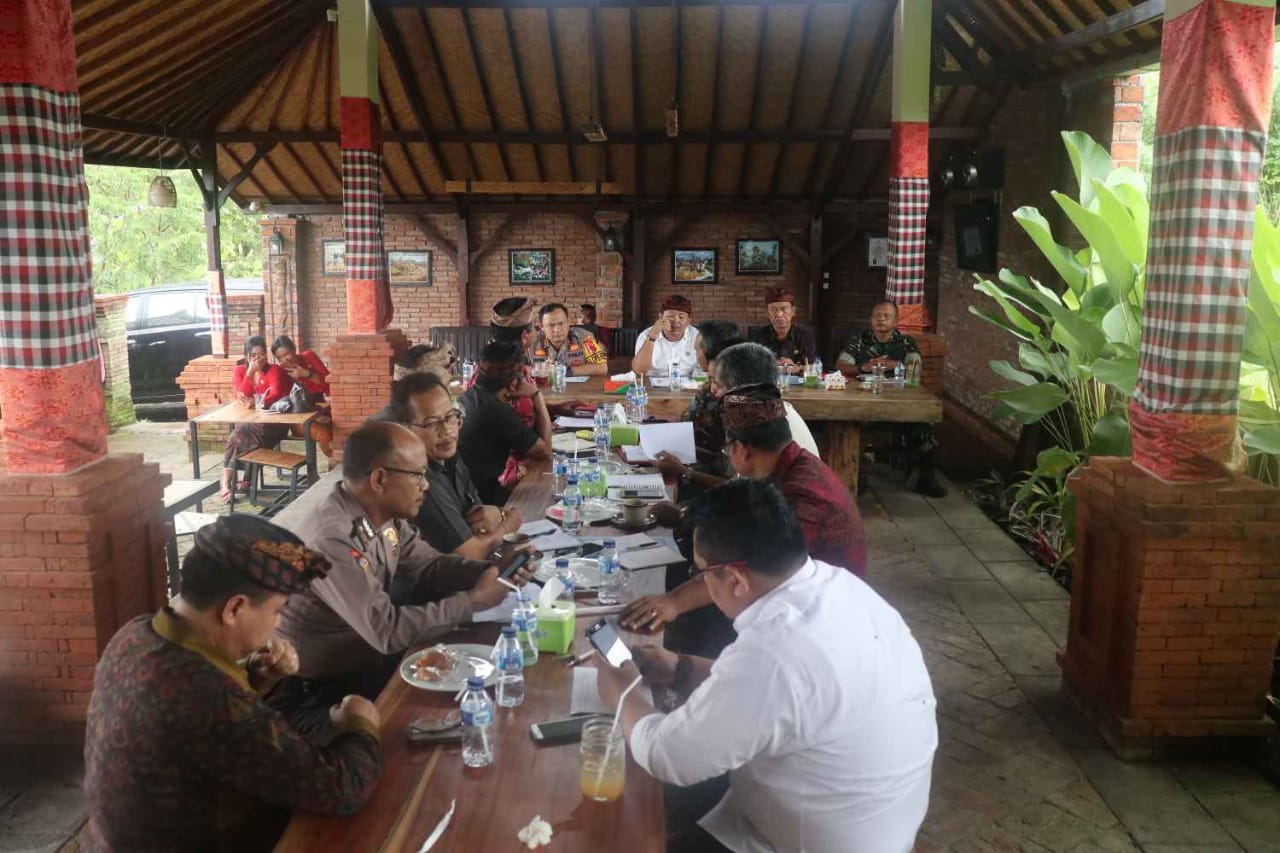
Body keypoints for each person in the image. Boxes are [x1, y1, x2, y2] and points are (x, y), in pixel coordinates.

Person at [595, 480, 937, 853]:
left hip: (809, 841)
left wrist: (620, 689)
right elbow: (790, 695)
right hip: (870, 816)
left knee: (621, 820)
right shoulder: (836, 586)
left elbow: (667, 756)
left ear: (736, 579)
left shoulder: (774, 651)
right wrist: (681, 667)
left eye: (702, 571)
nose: (702, 582)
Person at [84, 515, 382, 852]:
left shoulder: (134, 633)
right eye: (278, 610)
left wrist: (257, 678)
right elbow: (341, 788)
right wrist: (359, 724)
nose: (278, 623)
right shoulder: (209, 699)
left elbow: (203, 724)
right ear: (234, 608)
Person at [273, 422, 532, 731]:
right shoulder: (332, 539)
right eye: (418, 475)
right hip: (323, 695)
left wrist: (493, 569)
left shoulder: (380, 514)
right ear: (380, 479)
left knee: (481, 698)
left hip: (366, 666)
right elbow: (386, 631)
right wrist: (473, 601)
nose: (426, 485)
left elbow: (429, 565)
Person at [625, 384, 868, 645]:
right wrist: (687, 512)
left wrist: (673, 602)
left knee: (689, 597)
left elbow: (752, 566)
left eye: (726, 449)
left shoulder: (802, 494)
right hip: (799, 588)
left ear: (741, 449)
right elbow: (739, 498)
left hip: (819, 616)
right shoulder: (792, 464)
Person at [374, 372, 524, 558]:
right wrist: (510, 523)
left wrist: (498, 514)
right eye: (431, 423)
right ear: (406, 429)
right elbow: (471, 553)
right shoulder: (419, 481)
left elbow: (481, 518)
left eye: (450, 417)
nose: (446, 431)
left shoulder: (449, 457)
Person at [837, 301, 946, 497]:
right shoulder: (859, 340)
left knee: (923, 423)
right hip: (863, 397)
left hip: (898, 399)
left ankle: (924, 477)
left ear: (896, 321)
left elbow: (915, 369)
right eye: (877, 315)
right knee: (847, 421)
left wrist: (893, 365)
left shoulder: (906, 342)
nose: (881, 319)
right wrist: (863, 367)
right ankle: (854, 476)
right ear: (871, 319)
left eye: (886, 315)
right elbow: (841, 366)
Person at [457, 340, 553, 506]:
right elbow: (544, 450)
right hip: (482, 501)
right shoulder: (498, 411)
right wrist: (537, 396)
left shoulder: (469, 396)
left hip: (463, 493)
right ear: (514, 384)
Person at [220, 335, 294, 501]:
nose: (258, 359)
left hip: (275, 423)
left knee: (239, 435)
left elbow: (275, 393)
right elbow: (240, 394)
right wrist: (250, 373)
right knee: (239, 435)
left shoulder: (274, 370)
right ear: (246, 355)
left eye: (261, 354)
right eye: (253, 355)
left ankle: (239, 481)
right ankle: (230, 483)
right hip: (250, 422)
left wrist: (256, 401)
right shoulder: (240, 371)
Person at [685, 320, 744, 473]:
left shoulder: (737, 398)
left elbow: (732, 472)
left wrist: (685, 472)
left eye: (697, 350)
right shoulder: (710, 386)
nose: (696, 356)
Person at [273, 334, 334, 457]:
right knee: (324, 433)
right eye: (280, 358)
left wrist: (307, 374)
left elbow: (330, 385)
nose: (284, 360)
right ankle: (335, 460)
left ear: (294, 349)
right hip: (299, 418)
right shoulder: (281, 372)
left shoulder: (308, 357)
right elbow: (282, 402)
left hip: (323, 410)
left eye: (286, 354)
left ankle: (336, 462)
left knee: (341, 428)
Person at [748, 286, 818, 373]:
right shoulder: (757, 336)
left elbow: (813, 366)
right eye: (774, 310)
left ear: (793, 311)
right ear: (767, 313)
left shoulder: (805, 335)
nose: (779, 314)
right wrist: (772, 365)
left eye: (784, 309)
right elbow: (750, 366)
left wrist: (796, 367)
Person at [531, 302, 609, 376]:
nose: (557, 329)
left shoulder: (585, 338)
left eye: (561, 323)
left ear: (568, 322)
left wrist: (561, 371)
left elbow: (602, 367)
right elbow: (523, 368)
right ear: (541, 327)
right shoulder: (531, 341)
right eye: (551, 325)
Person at [633, 294, 700, 378]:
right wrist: (652, 336)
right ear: (661, 317)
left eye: (681, 317)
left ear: (688, 320)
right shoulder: (645, 335)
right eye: (671, 316)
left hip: (688, 383)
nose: (676, 321)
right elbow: (639, 371)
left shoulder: (697, 336)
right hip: (653, 383)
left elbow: (706, 367)